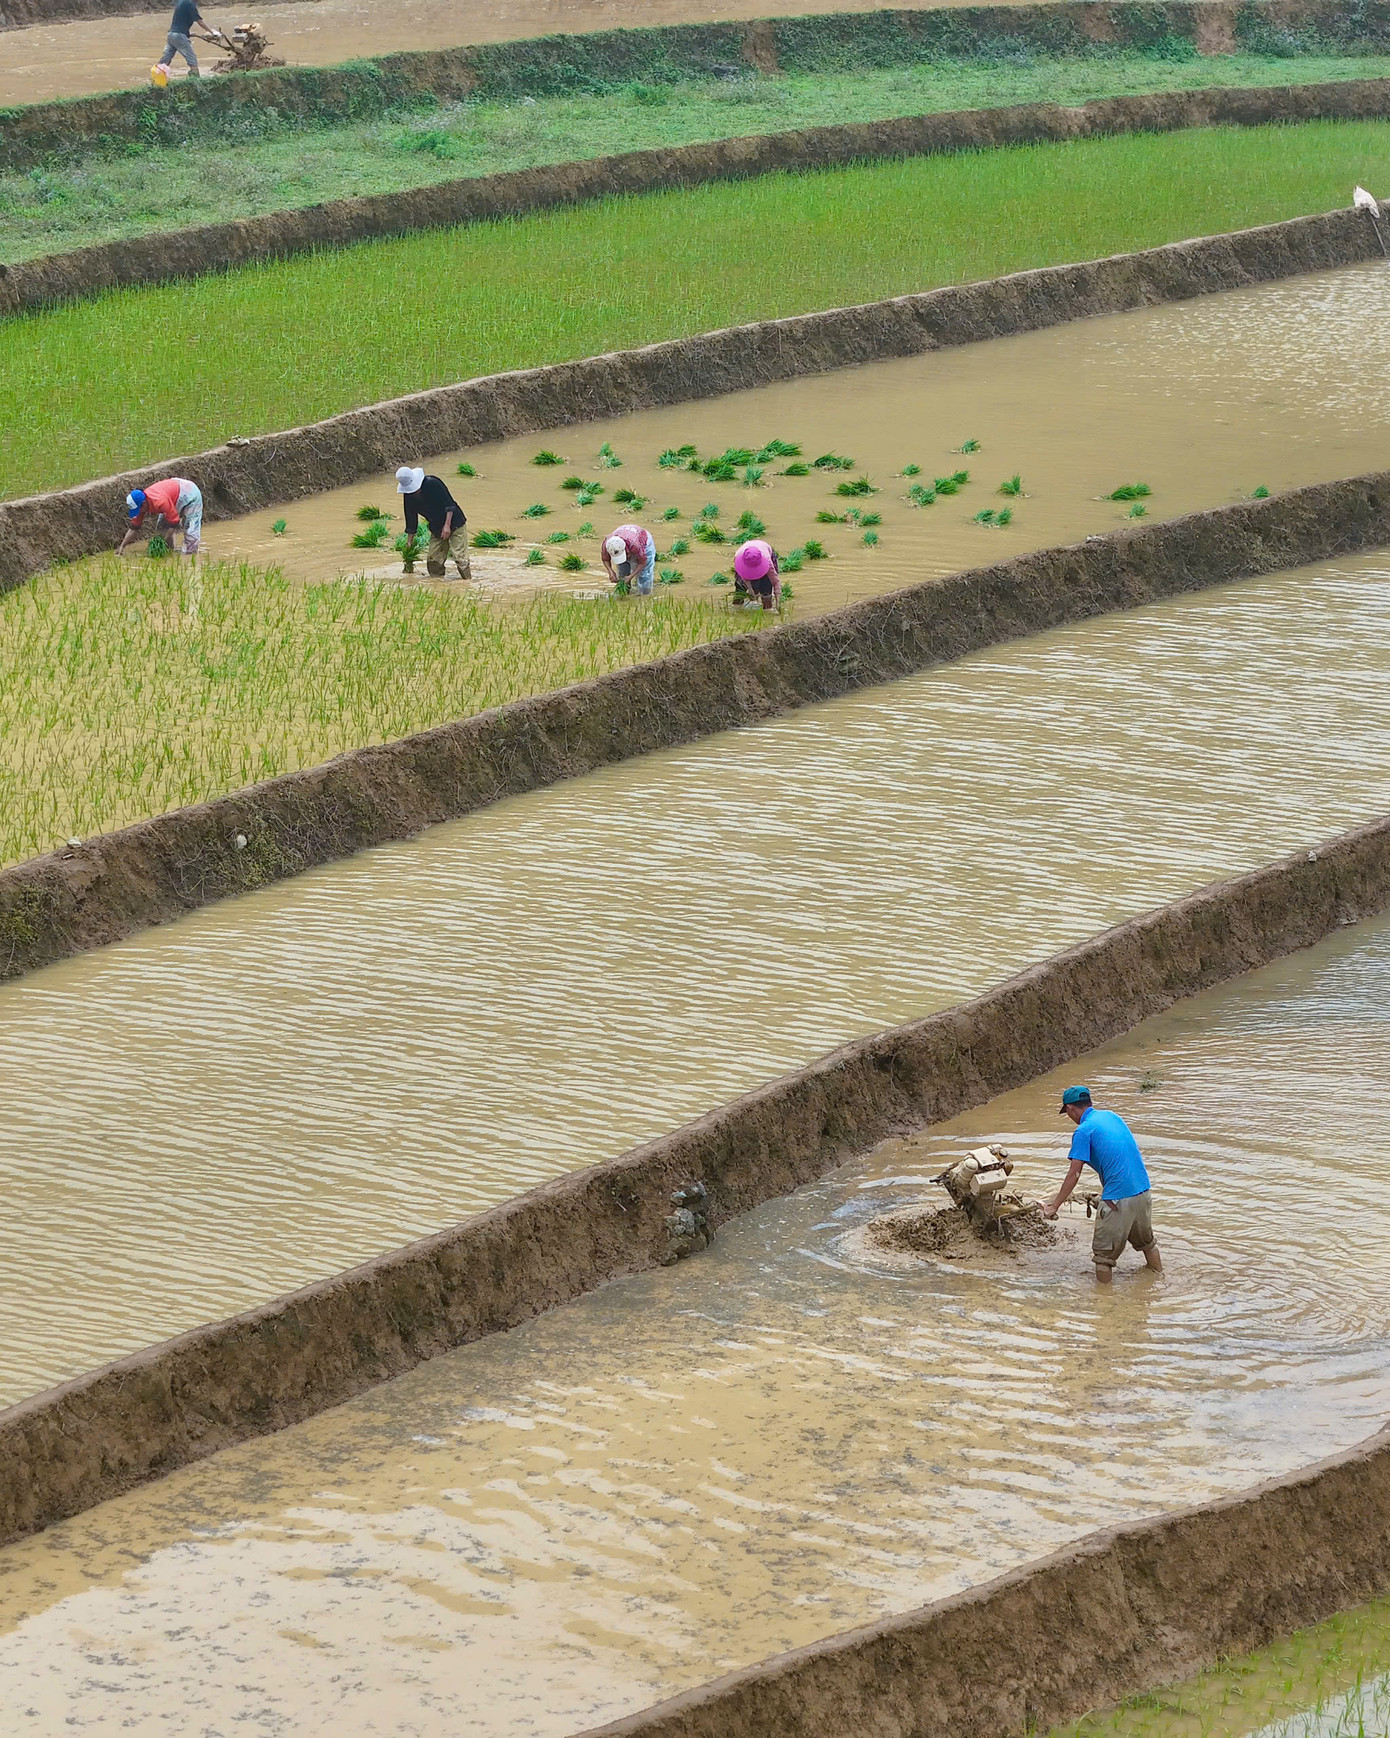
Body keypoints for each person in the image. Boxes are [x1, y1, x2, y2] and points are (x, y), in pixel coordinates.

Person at [1042, 1086, 1162, 1284]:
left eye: (1067, 1112)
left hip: (1118, 1199)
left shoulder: (1083, 1130)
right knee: (1148, 1244)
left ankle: (1105, 1306)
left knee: (1103, 1260)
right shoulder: (1111, 1116)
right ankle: (1158, 1281)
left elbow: (1074, 1173)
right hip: (1143, 1192)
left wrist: (1054, 1206)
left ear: (1070, 1108)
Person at [396, 466, 470, 580]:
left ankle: (467, 583)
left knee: (460, 558)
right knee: (433, 560)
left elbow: (450, 505)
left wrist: (447, 526)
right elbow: (411, 520)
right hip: (436, 526)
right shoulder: (409, 496)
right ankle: (438, 585)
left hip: (455, 522)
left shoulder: (433, 484)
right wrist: (409, 543)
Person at [118, 478, 203, 557]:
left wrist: (163, 542)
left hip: (190, 493)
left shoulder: (160, 502)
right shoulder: (141, 505)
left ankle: (191, 556)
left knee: (191, 530)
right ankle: (169, 553)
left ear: (143, 504)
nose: (138, 512)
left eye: (138, 510)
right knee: (162, 528)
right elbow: (134, 527)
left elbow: (174, 523)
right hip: (171, 492)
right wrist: (122, 546)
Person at [161, 0, 218, 78]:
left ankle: (157, 79)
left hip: (171, 34)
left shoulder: (181, 2)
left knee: (165, 60)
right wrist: (212, 32)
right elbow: (199, 21)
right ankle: (196, 81)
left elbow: (180, 21)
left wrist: (188, 33)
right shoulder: (190, 4)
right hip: (179, 35)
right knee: (192, 59)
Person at [602, 524, 656, 596]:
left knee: (644, 575)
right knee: (623, 575)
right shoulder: (608, 544)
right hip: (626, 536)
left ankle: (645, 596)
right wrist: (610, 572)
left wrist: (631, 576)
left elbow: (643, 563)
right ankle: (625, 594)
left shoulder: (635, 545)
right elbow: (605, 559)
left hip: (644, 542)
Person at [733, 538, 781, 610]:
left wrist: (778, 604)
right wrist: (750, 590)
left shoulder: (767, 561)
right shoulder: (738, 557)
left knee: (766, 589)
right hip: (745, 558)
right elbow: (744, 577)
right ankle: (737, 608)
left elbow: (776, 583)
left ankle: (767, 608)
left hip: (764, 554)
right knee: (740, 588)